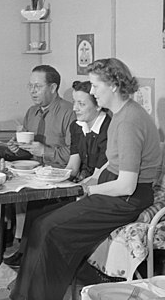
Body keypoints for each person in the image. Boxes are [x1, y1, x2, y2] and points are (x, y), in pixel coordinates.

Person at [10, 58, 161, 300]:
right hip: (115, 189)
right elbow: (114, 162)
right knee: (40, 220)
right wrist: (92, 179)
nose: (91, 92)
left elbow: (127, 184)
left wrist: (89, 192)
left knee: (50, 229)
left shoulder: (129, 121)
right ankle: (23, 295)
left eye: (95, 86)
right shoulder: (121, 114)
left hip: (127, 198)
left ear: (113, 85)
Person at [4, 80, 111, 268]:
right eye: (74, 102)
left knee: (49, 212)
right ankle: (28, 254)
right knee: (40, 197)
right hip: (82, 180)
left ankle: (46, 262)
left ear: (98, 105)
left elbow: (100, 174)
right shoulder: (77, 126)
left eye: (81, 104)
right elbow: (73, 166)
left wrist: (73, 186)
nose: (75, 108)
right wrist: (51, 176)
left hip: (102, 186)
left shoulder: (109, 129)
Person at [6, 65, 76, 245]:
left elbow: (75, 152)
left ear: (53, 88)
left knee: (35, 200)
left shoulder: (69, 112)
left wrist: (46, 151)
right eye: (30, 86)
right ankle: (20, 244)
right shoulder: (32, 112)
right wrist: (18, 148)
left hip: (59, 175)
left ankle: (27, 251)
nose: (32, 91)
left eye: (37, 86)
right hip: (34, 172)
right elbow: (28, 149)